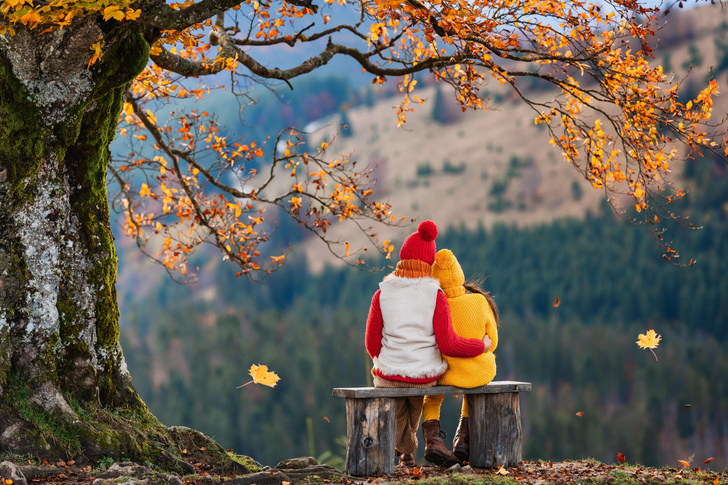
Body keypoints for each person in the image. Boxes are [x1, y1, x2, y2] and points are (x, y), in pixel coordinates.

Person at [364, 221, 488, 468]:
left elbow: (371, 344)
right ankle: (408, 449)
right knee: (415, 394)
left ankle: (406, 449)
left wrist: (388, 361)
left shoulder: (382, 293)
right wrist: (480, 347)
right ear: (429, 263)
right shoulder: (436, 295)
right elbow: (449, 344)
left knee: (398, 394)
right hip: (425, 375)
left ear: (403, 256)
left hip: (389, 374)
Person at [422, 249, 499, 464]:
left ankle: (432, 441)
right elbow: (493, 341)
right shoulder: (480, 301)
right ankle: (462, 439)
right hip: (480, 371)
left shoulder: (437, 306)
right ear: (459, 273)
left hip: (447, 371)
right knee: (471, 390)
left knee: (433, 398)